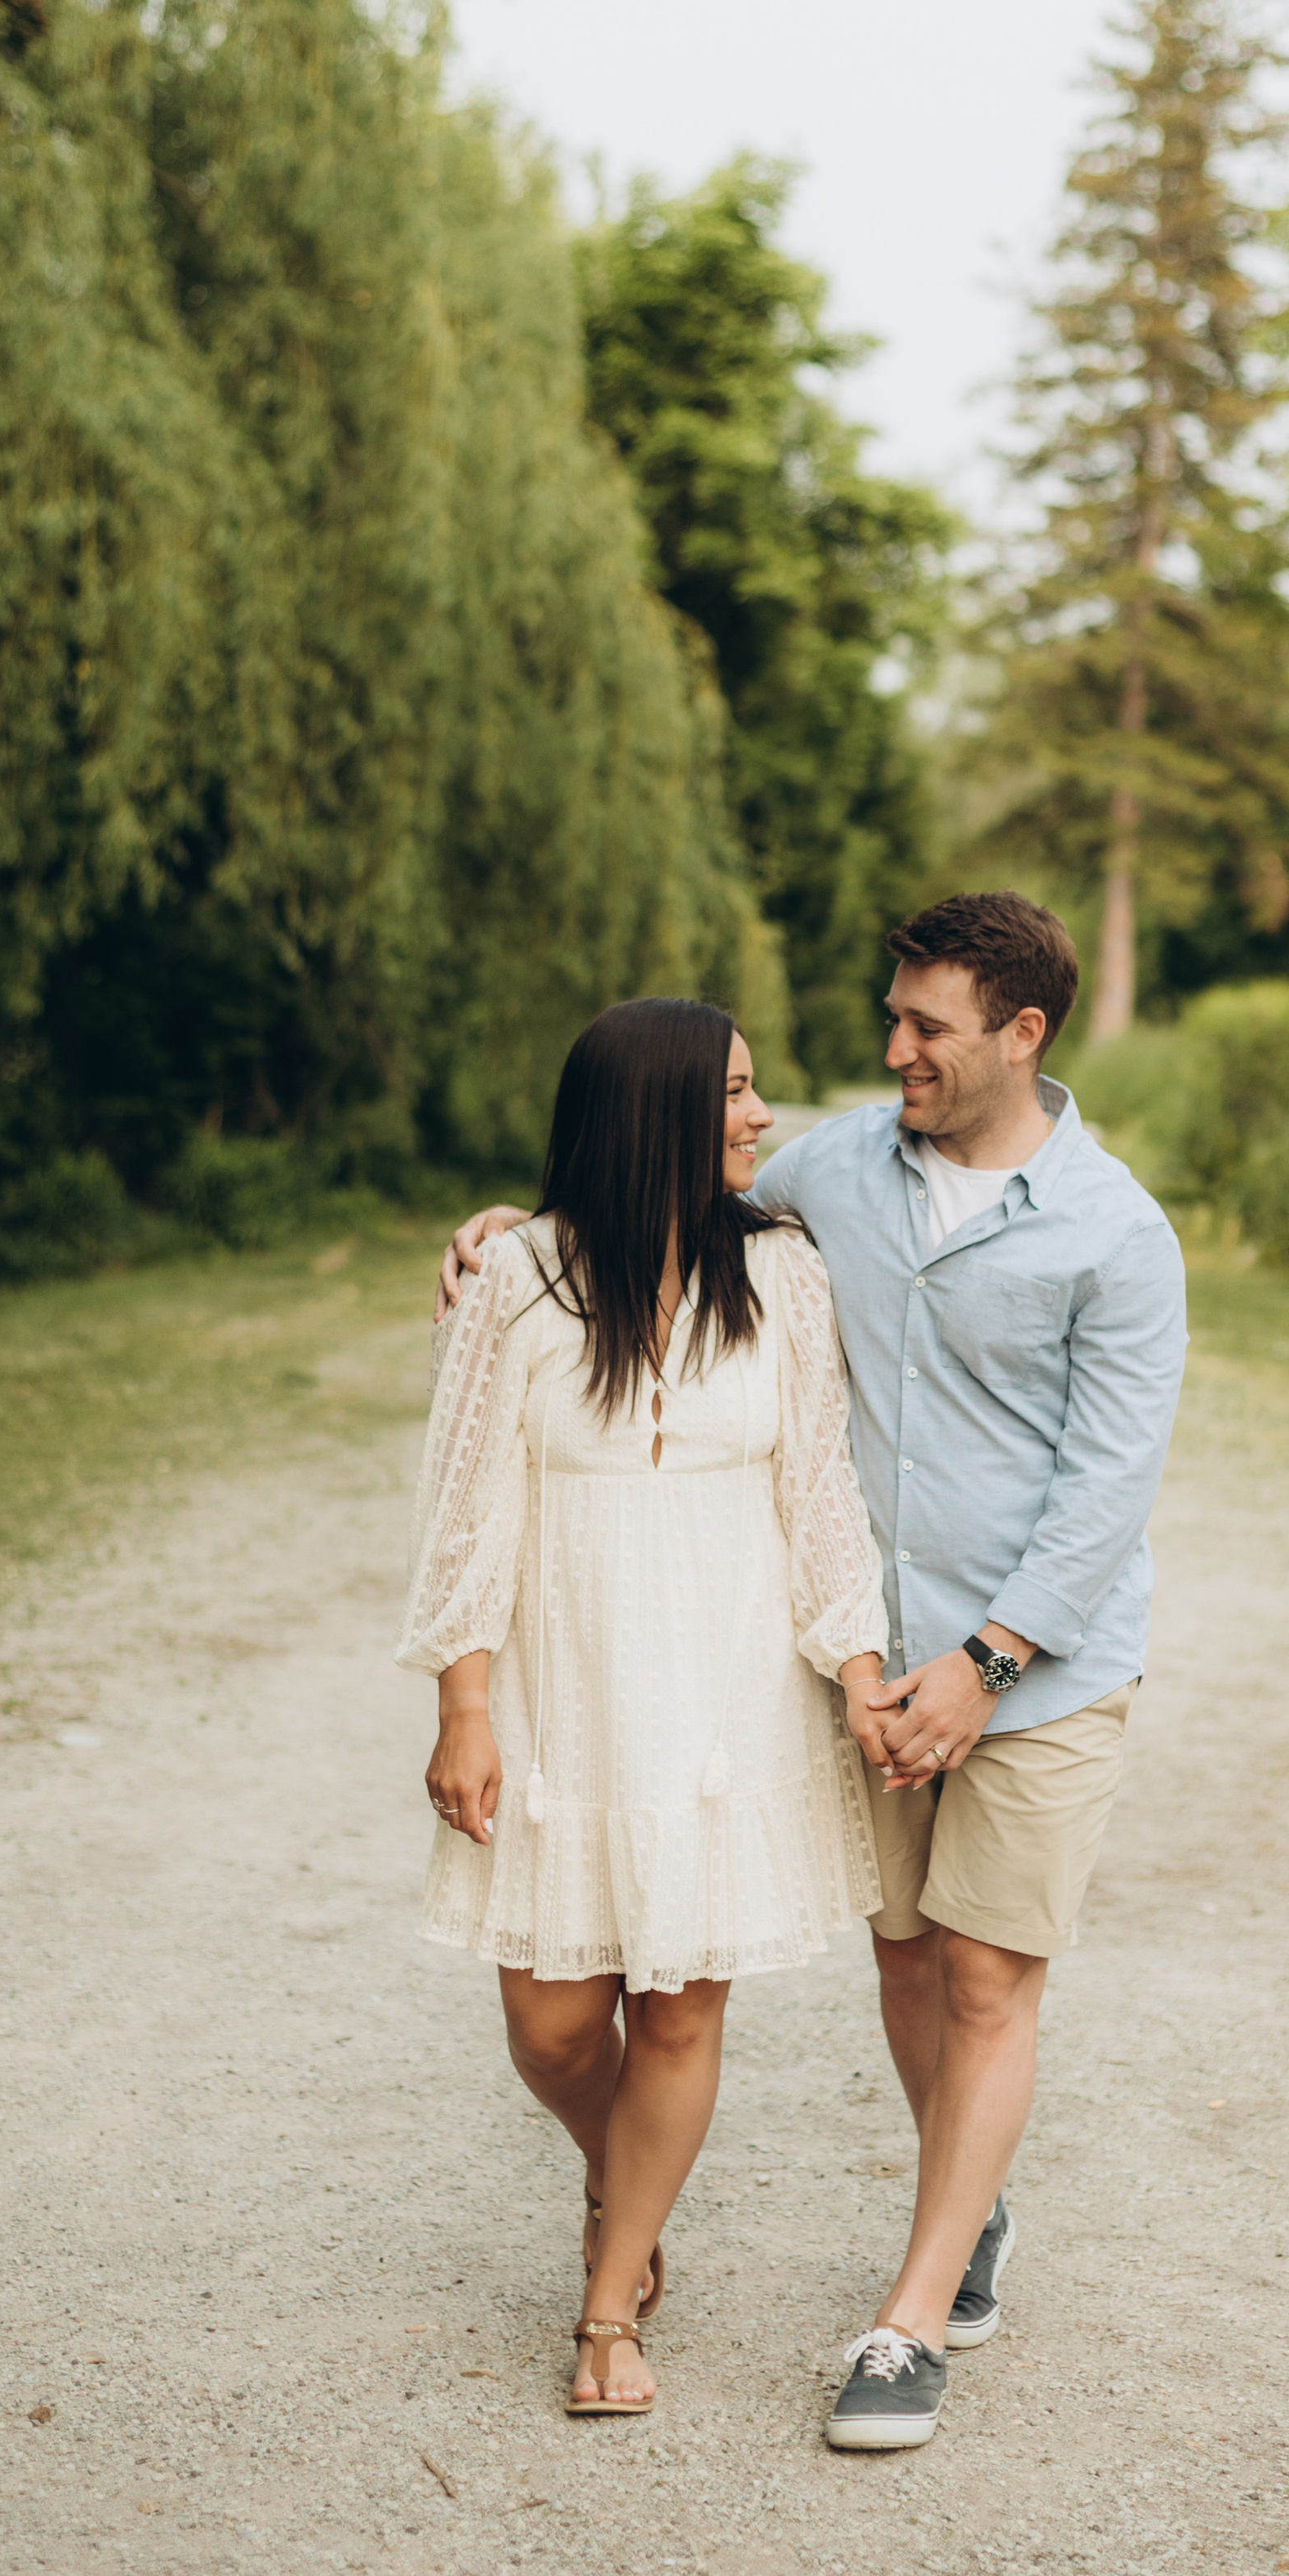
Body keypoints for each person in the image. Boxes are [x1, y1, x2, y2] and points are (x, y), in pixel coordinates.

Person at [442, 892, 1189, 2451]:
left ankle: (912, 2320)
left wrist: (989, 1662)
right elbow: (645, 1192)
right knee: (905, 1961)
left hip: (1034, 1667)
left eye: (928, 1026)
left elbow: (1106, 1491)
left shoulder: (1117, 1233)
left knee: (985, 1974)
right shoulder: (834, 1173)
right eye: (894, 1017)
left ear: (1022, 1035)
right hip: (871, 1667)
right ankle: (967, 2191)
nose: (894, 1048)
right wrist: (514, 1228)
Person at [400, 996, 887, 2416]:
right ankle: (621, 2175)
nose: (762, 1116)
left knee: (680, 2007)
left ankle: (609, 2310)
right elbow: (468, 1507)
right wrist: (464, 1706)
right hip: (564, 1688)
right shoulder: (518, 1279)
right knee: (555, 2026)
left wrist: (859, 1672)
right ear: (652, 1108)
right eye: (734, 1092)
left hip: (729, 1693)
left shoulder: (782, 1273)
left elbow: (820, 1496)